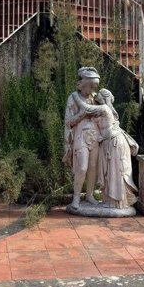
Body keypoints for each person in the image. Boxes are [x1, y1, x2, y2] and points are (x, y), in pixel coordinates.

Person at [63, 67, 105, 209]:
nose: (92, 89)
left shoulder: (95, 98)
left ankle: (90, 195)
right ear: (83, 84)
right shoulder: (73, 97)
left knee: (93, 167)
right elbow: (68, 122)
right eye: (91, 86)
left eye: (95, 86)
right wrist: (82, 114)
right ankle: (76, 198)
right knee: (82, 167)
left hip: (96, 136)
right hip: (81, 136)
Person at [94, 89, 139, 209]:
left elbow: (85, 108)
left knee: (116, 171)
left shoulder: (104, 108)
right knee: (111, 171)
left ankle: (118, 202)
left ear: (104, 97)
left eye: (98, 93)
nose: (95, 94)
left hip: (115, 143)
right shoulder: (105, 109)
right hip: (111, 142)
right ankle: (111, 201)